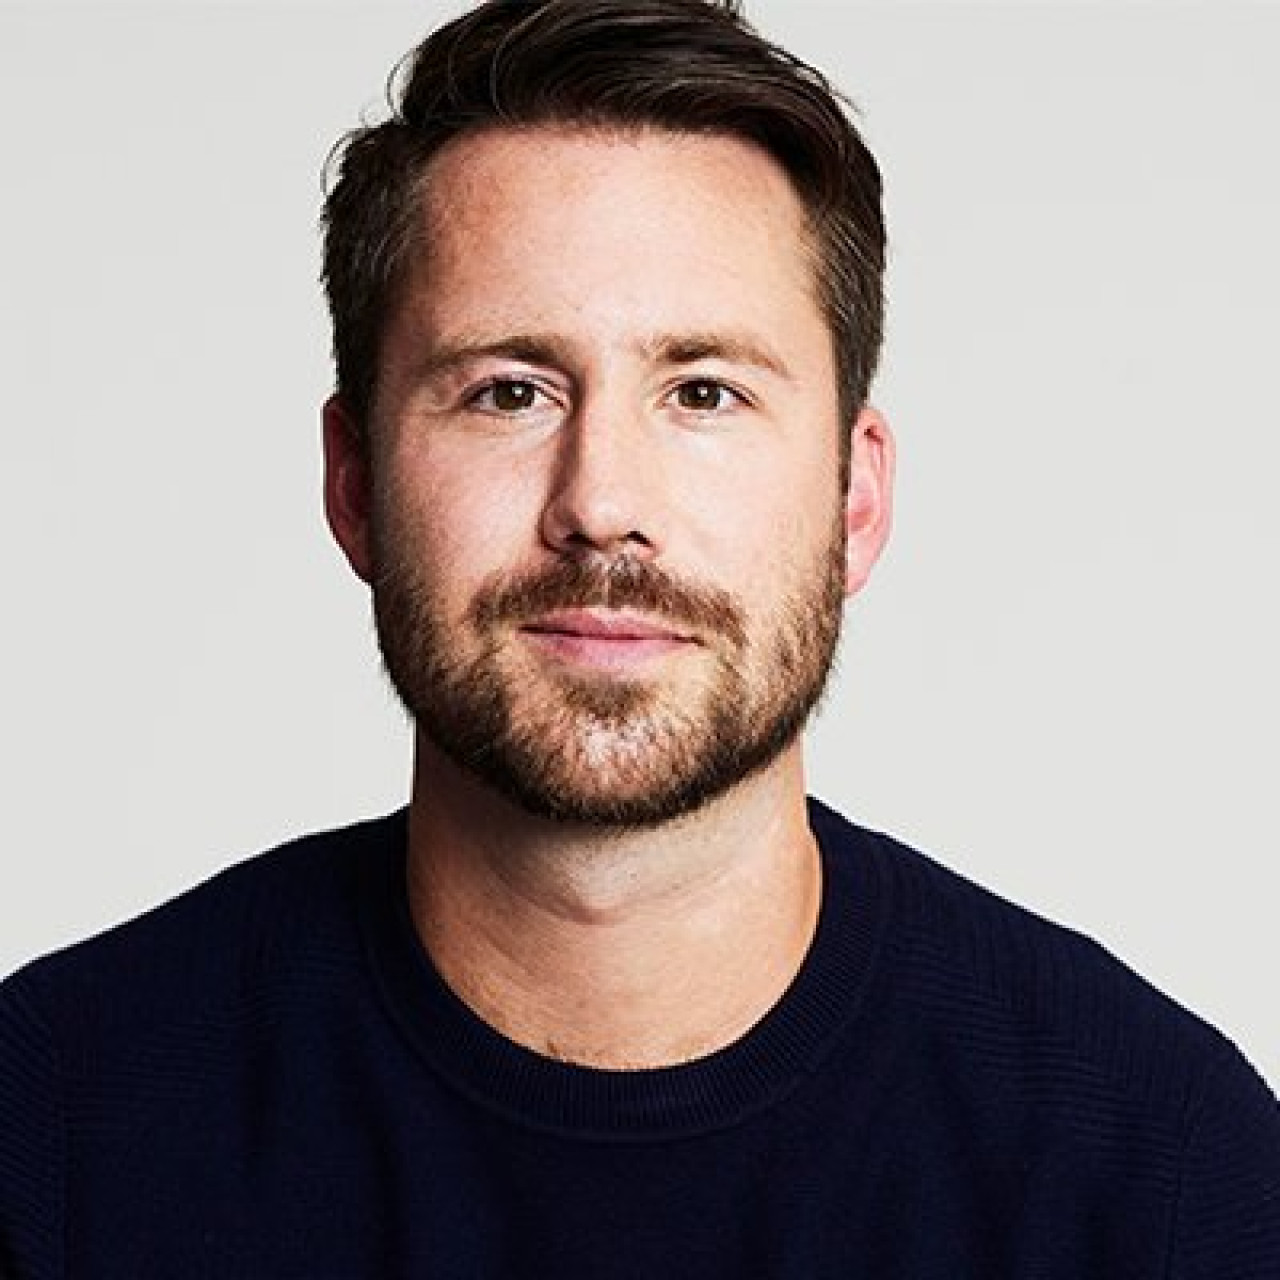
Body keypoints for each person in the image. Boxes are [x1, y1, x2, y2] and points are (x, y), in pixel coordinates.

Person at [1, 0, 1276, 1274]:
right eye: (508, 391)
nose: (601, 501)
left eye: (703, 391)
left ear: (854, 500)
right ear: (355, 486)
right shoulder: (52, 1126)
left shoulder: (1163, 1171)